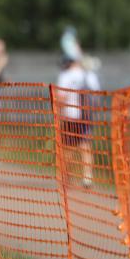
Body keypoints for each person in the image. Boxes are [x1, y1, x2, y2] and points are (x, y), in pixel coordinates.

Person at [56, 33, 100, 188]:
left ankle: (78, 177)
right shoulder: (75, 75)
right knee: (77, 146)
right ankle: (76, 176)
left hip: (77, 115)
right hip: (77, 115)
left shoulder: (80, 75)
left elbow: (95, 96)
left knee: (78, 146)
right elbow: (60, 97)